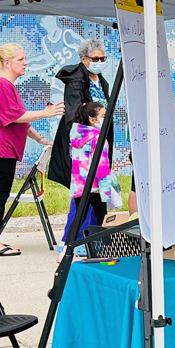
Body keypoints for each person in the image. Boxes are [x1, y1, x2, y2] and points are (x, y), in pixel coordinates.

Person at [0, 43, 63, 257]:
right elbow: (14, 117)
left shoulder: (6, 86)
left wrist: (41, 139)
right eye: (20, 60)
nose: (25, 63)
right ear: (7, 63)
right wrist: (46, 113)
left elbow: (19, 120)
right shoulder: (1, 85)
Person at [60, 102, 122, 258]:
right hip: (96, 186)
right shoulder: (98, 138)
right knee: (101, 216)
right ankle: (96, 246)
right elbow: (101, 165)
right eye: (103, 116)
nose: (106, 118)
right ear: (92, 120)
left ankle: (68, 246)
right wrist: (106, 190)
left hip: (80, 184)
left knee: (78, 216)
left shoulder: (76, 135)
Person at [49, 39, 111, 189]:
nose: (99, 62)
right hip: (85, 141)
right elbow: (73, 112)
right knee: (82, 184)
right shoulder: (76, 79)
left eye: (102, 58)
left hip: (100, 137)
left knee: (98, 182)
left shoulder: (102, 81)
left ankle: (95, 212)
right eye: (95, 59)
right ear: (83, 59)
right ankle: (78, 213)